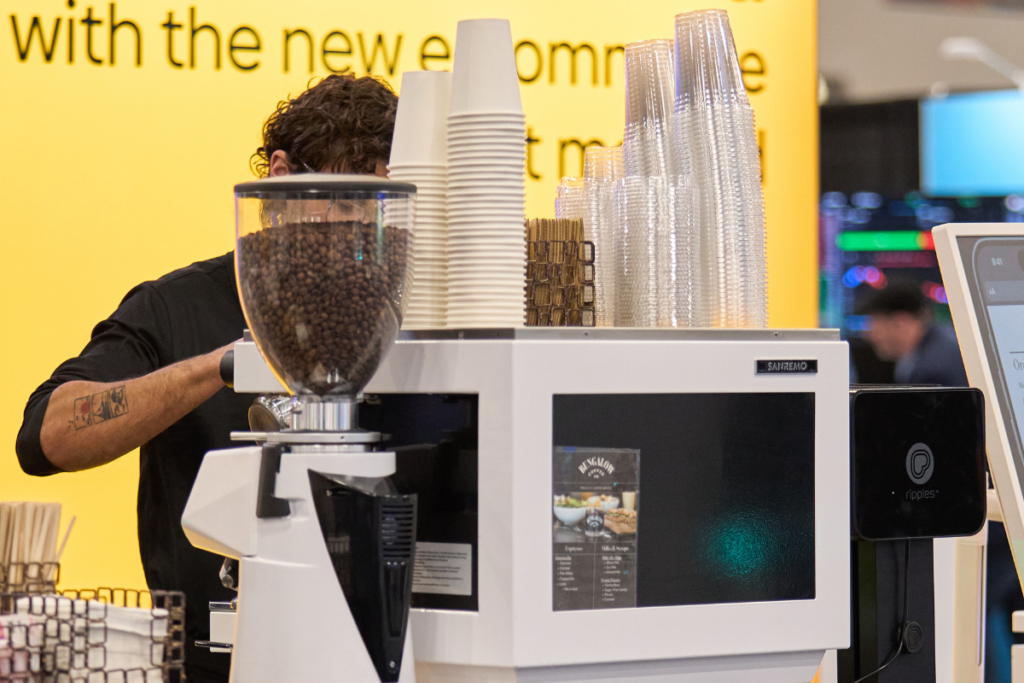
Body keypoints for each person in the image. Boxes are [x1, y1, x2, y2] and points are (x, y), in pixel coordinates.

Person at [14, 74, 398, 683]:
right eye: (346, 203)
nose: (360, 234)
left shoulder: (402, 316)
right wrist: (221, 365)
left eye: (379, 212)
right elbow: (49, 436)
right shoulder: (178, 307)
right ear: (281, 177)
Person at [857, 279, 968, 387]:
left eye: (872, 324)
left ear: (899, 323)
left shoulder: (933, 371)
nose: (868, 336)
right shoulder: (937, 346)